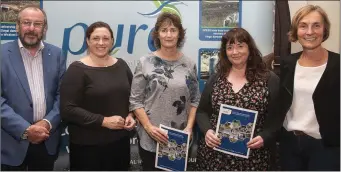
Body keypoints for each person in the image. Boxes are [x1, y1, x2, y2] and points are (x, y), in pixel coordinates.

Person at [193, 28, 279, 171]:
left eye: (240, 46)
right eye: (230, 47)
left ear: (250, 49)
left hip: (253, 157)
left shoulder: (269, 79)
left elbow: (277, 117)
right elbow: (202, 111)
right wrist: (207, 131)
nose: (235, 52)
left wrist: (265, 136)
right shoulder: (216, 78)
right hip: (215, 157)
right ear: (225, 52)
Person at [60, 21, 136, 171]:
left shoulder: (121, 65)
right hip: (88, 147)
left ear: (112, 42)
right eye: (96, 38)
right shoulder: (77, 69)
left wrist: (131, 115)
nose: (101, 43)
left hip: (120, 143)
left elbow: (133, 97)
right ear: (87, 41)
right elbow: (67, 109)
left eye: (106, 38)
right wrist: (103, 121)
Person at [129, 12, 200, 171]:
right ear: (157, 34)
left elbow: (195, 100)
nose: (169, 34)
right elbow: (135, 101)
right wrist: (148, 127)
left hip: (180, 139)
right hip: (151, 138)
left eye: (173, 30)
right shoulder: (145, 62)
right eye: (164, 30)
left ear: (180, 34)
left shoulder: (189, 64)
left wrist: (189, 127)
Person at [1, 5, 67, 170]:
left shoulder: (57, 54)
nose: (31, 28)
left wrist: (46, 123)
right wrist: (26, 129)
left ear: (44, 29)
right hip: (11, 144)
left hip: (46, 141)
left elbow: (63, 95)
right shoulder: (2, 54)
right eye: (26, 23)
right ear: (17, 26)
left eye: (37, 24)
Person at [275, 5, 340, 170]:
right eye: (303, 26)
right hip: (290, 145)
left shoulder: (338, 64)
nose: (310, 32)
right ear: (296, 31)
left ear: (324, 30)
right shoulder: (287, 63)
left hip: (326, 148)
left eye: (316, 25)